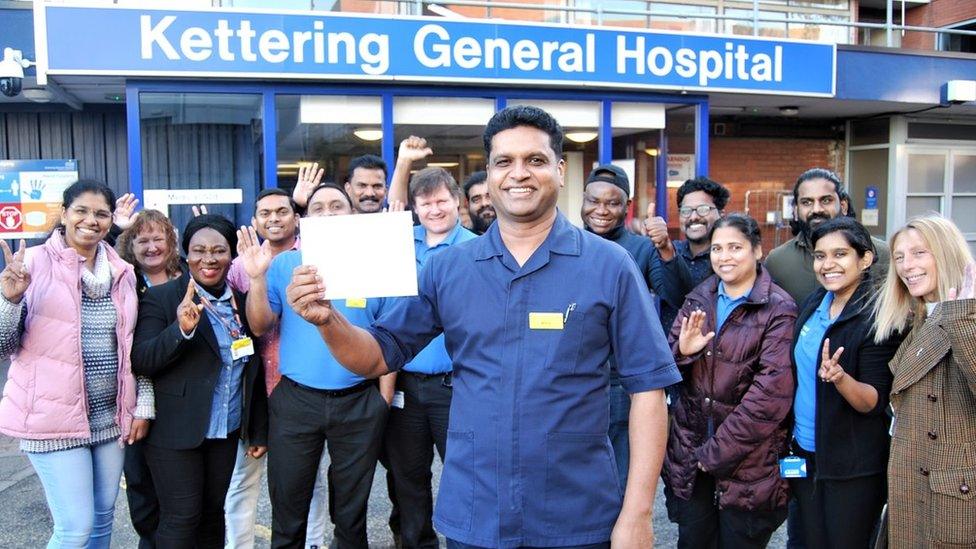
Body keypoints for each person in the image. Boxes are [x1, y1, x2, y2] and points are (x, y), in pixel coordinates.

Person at [284, 105, 680, 548]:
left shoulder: (610, 266)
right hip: (478, 513)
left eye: (535, 160)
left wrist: (638, 513)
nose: (519, 174)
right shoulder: (448, 268)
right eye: (504, 162)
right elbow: (375, 354)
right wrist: (329, 320)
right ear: (489, 174)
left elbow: (648, 390)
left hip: (578, 514)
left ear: (560, 170)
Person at [0, 179, 155, 548]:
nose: (92, 220)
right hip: (53, 419)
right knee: (75, 528)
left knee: (102, 521)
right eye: (82, 211)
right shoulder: (33, 263)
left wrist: (140, 404)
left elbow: (132, 346)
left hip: (108, 420)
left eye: (101, 214)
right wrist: (10, 301)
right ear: (65, 214)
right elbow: (3, 344)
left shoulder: (122, 272)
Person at [242, 183, 391, 549]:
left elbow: (391, 335)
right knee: (288, 507)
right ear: (306, 220)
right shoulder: (284, 264)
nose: (327, 213)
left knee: (351, 513)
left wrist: (382, 400)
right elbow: (260, 325)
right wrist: (257, 279)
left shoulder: (377, 261)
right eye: (318, 207)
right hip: (297, 402)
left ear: (351, 214)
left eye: (336, 206)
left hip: (359, 401)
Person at [132, 214, 268, 548]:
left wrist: (257, 429)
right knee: (181, 518)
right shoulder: (163, 298)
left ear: (231, 255)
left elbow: (253, 369)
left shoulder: (240, 299)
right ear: (186, 254)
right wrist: (181, 330)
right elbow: (142, 359)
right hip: (177, 432)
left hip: (225, 429)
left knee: (212, 516)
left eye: (219, 250)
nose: (209, 258)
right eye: (199, 250)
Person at [664, 213, 795, 548]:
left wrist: (715, 454)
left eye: (735, 247)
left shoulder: (778, 309)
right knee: (693, 540)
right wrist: (682, 351)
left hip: (746, 463)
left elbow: (771, 395)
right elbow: (664, 367)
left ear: (757, 250)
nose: (724, 257)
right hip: (691, 454)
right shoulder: (699, 298)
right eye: (717, 248)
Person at [224, 188, 336, 549]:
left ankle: (314, 543)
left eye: (282, 211)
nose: (273, 219)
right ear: (255, 220)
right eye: (265, 213)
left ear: (296, 216)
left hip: (302, 383)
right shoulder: (242, 265)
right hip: (257, 385)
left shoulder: (317, 255)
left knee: (309, 477)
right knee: (244, 476)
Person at [788, 216, 903, 549]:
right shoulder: (814, 303)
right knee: (809, 541)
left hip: (850, 466)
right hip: (804, 453)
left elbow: (873, 401)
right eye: (820, 255)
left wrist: (840, 380)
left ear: (864, 259)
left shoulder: (877, 317)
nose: (828, 264)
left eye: (840, 254)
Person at [387, 140, 477, 548]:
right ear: (415, 208)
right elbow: (388, 213)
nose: (434, 210)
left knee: (464, 473)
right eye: (425, 204)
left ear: (457, 202)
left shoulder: (478, 248)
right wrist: (404, 162)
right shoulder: (400, 243)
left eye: (441, 201)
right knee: (408, 477)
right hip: (406, 384)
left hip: (455, 386)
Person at [871, 214, 976, 548]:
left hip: (951, 497)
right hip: (914, 483)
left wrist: (963, 314)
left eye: (919, 253)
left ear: (944, 252)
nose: (906, 266)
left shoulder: (964, 314)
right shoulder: (923, 316)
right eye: (899, 257)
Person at [580, 163, 654, 489]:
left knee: (619, 474)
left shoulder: (641, 248)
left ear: (627, 207)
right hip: (577, 379)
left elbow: (674, 295)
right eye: (594, 201)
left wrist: (665, 250)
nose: (601, 210)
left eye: (612, 203)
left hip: (619, 382)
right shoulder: (570, 244)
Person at [116, 208, 186, 548]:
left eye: (158, 238)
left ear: (171, 241)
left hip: (185, 399)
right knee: (142, 486)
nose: (151, 246)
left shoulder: (190, 277)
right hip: (137, 400)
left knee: (182, 491)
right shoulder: (122, 281)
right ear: (131, 245)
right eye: (142, 240)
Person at [766, 168, 890, 305]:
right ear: (795, 210)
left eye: (826, 200)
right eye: (807, 202)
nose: (817, 209)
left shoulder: (882, 254)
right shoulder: (776, 262)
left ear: (843, 206)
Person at [644, 177, 730, 334]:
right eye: (686, 211)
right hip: (670, 353)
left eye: (703, 209)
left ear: (722, 214)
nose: (693, 217)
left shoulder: (729, 259)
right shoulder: (668, 252)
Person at [293, 156, 388, 215]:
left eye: (377, 186)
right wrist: (301, 206)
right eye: (362, 186)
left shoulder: (397, 222)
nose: (369, 193)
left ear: (386, 190)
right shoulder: (333, 218)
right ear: (348, 188)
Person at [463, 171, 495, 235]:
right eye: (476, 199)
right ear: (467, 204)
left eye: (489, 196)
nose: (484, 203)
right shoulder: (462, 243)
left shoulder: (518, 239)